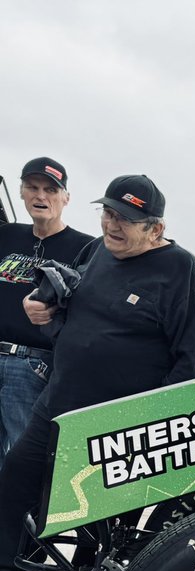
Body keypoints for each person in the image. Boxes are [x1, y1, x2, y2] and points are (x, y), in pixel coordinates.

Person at [0, 175, 195, 571]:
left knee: (98, 515)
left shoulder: (181, 271)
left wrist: (153, 423)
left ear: (155, 229)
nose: (112, 226)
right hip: (58, 404)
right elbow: (70, 309)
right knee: (16, 479)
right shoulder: (96, 250)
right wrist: (45, 314)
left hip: (120, 421)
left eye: (126, 220)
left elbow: (193, 359)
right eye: (109, 213)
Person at [0, 158, 93, 466]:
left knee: (27, 460)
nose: (41, 196)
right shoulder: (6, 235)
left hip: (33, 365)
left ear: (66, 197)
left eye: (51, 189)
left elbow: (88, 307)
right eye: (33, 188)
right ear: (22, 192)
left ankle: (28, 516)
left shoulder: (86, 248)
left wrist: (51, 305)